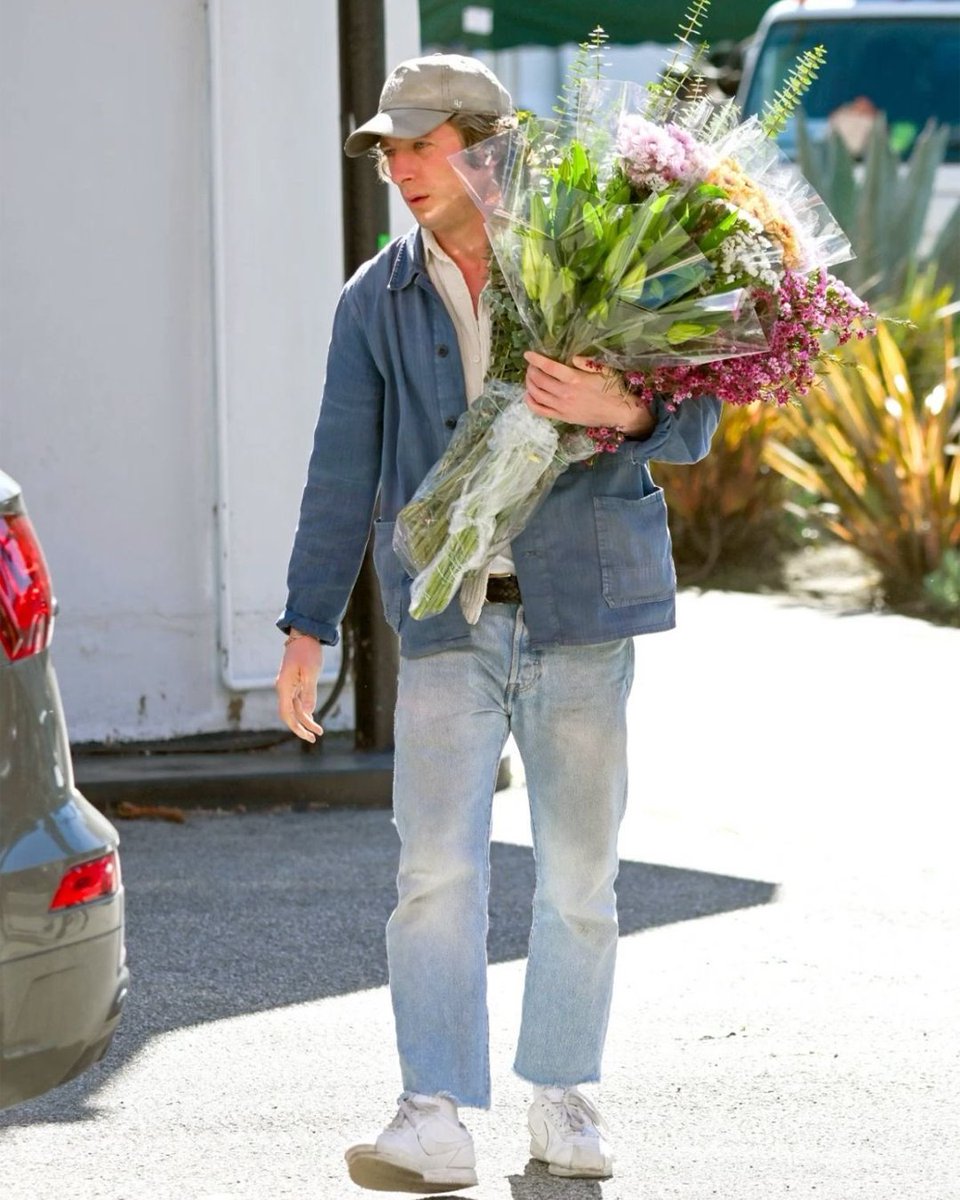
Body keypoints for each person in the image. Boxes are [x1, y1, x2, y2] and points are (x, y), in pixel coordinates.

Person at [276, 53, 722, 1194]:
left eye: (421, 146)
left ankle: (563, 1097)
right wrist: (305, 625)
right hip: (448, 618)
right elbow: (340, 470)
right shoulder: (372, 298)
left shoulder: (590, 255)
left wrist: (622, 406)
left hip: (580, 616)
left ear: (486, 146)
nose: (402, 170)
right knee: (434, 872)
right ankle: (431, 1111)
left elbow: (699, 417)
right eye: (390, 151)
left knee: (579, 875)